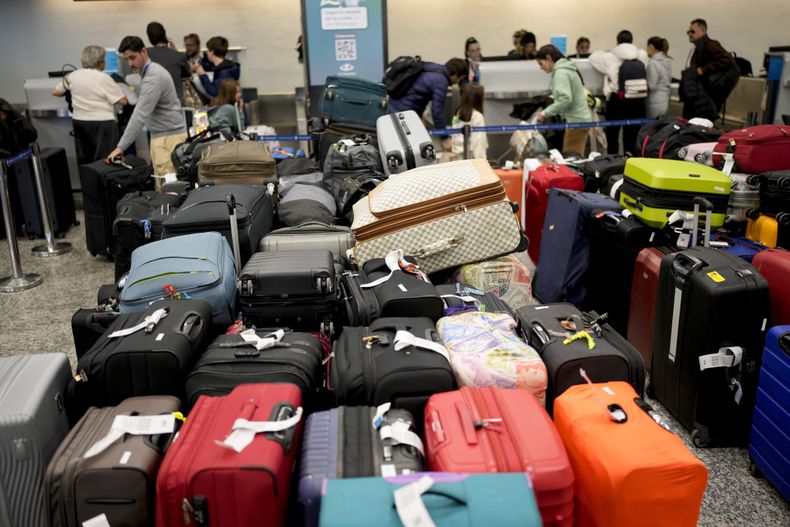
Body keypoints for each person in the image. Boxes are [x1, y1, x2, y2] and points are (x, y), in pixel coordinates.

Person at [105, 36, 187, 183]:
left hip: (168, 139)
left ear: (143, 51)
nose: (130, 63)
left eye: (132, 57)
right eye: (126, 59)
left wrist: (121, 147)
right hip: (164, 135)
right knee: (166, 187)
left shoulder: (153, 77)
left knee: (170, 189)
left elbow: (140, 115)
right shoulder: (150, 71)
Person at [52, 45, 129, 165]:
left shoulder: (73, 75)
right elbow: (123, 101)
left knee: (86, 162)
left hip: (79, 122)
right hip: (103, 124)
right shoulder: (103, 78)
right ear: (100, 62)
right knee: (107, 161)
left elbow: (56, 92)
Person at [388, 58, 467, 152]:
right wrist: (445, 137)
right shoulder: (442, 82)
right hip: (402, 112)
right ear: (456, 74)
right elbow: (437, 112)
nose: (457, 82)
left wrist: (419, 117)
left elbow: (416, 92)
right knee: (409, 148)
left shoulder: (433, 67)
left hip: (394, 104)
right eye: (459, 79)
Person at [589, 30, 648, 154]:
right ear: (631, 41)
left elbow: (593, 58)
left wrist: (608, 51)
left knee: (612, 135)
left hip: (617, 100)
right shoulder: (641, 55)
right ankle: (630, 161)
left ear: (618, 41)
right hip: (637, 100)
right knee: (632, 137)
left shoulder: (609, 57)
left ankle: (613, 161)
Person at [534, 45, 592, 157]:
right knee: (574, 157)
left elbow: (565, 99)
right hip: (579, 120)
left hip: (576, 122)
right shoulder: (566, 69)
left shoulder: (561, 73)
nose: (541, 68)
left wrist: (545, 113)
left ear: (549, 58)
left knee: (572, 160)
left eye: (541, 63)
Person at [686, 18, 739, 115]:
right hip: (708, 90)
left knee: (704, 116)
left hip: (714, 89)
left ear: (703, 31)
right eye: (688, 32)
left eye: (692, 31)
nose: (689, 34)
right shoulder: (698, 49)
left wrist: (703, 69)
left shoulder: (711, 45)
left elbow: (725, 59)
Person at [146, 22, 189, 99]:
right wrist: (176, 51)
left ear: (149, 38)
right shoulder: (179, 56)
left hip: (154, 100)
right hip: (176, 101)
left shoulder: (145, 54)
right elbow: (189, 72)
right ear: (164, 34)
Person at [451, 83, 488, 160]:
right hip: (472, 160)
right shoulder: (477, 116)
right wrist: (481, 161)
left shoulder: (458, 113)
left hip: (458, 158)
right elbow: (477, 143)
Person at [646, 36, 672, 118]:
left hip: (654, 102)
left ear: (651, 47)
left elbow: (652, 85)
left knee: (651, 125)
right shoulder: (666, 61)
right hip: (664, 101)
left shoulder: (653, 63)